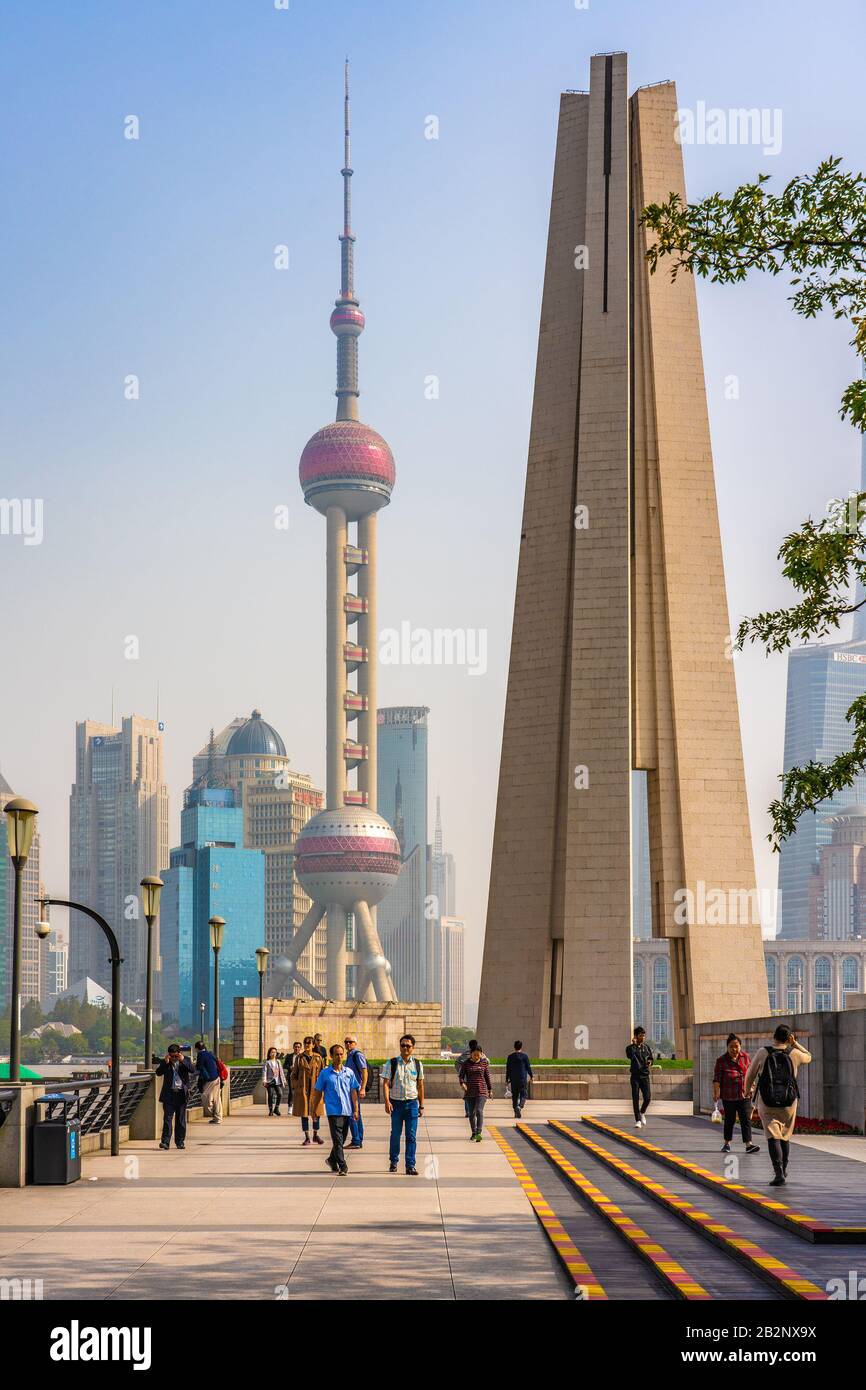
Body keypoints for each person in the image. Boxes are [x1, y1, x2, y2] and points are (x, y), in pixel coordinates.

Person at [745, 1024, 812, 1186]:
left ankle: (778, 1172)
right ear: (789, 1038)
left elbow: (750, 1073)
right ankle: (784, 1169)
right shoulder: (794, 1053)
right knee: (785, 1134)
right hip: (789, 1102)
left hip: (767, 1101)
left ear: (773, 1036)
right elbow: (809, 1056)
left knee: (772, 1134)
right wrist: (795, 1044)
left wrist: (748, 1090)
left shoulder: (763, 1052)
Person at [315, 1043, 361, 1176]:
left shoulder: (349, 1072)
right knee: (337, 1139)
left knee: (343, 1138)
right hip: (333, 1111)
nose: (339, 1057)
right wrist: (314, 1110)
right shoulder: (325, 1073)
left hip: (347, 1110)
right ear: (331, 1056)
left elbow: (353, 1092)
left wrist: (356, 1109)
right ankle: (343, 1165)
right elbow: (318, 1092)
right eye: (337, 1054)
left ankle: (331, 1160)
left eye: (341, 1054)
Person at [382, 1034, 425, 1175]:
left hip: (412, 1104)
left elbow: (420, 1086)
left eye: (408, 1045)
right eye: (403, 1045)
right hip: (396, 1104)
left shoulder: (417, 1064)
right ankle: (393, 1161)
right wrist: (387, 1101)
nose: (405, 1048)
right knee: (395, 1134)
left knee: (411, 1136)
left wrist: (421, 1105)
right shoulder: (392, 1063)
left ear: (413, 1048)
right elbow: (386, 1084)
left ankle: (410, 1165)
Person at [713, 1033, 760, 1155]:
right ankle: (727, 1143)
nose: (734, 1049)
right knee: (730, 1120)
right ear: (727, 1047)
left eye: (736, 1046)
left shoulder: (746, 1057)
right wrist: (716, 1092)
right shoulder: (721, 1061)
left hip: (744, 1095)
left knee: (745, 1120)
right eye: (731, 1047)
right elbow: (717, 1079)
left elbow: (751, 1073)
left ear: (740, 1046)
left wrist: (752, 1087)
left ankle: (748, 1144)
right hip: (729, 1096)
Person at [156, 1044, 195, 1150]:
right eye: (171, 1056)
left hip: (181, 1094)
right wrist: (165, 1063)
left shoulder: (185, 1060)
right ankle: (165, 1142)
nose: (173, 1058)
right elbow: (158, 1073)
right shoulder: (166, 1062)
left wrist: (183, 1061)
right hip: (169, 1094)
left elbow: (192, 1070)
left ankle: (180, 1141)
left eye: (175, 1056)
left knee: (180, 1120)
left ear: (179, 1054)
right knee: (167, 1119)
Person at [291, 1036, 324, 1145]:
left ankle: (315, 1134)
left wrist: (323, 1087)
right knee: (304, 1113)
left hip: (315, 1090)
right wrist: (297, 1086)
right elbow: (293, 1074)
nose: (307, 1045)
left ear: (313, 1045)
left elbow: (323, 1074)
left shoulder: (318, 1058)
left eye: (309, 1043)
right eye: (305, 1043)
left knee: (316, 1113)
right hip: (303, 1089)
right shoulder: (299, 1058)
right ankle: (307, 1137)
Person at [460, 1046, 493, 1141]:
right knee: (471, 1114)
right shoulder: (466, 1064)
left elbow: (487, 1076)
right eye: (474, 1055)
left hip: (482, 1091)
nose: (476, 1056)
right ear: (471, 1054)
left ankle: (478, 1132)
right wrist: (462, 1084)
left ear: (481, 1054)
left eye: (478, 1055)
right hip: (470, 1092)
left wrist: (490, 1090)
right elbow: (461, 1076)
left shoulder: (484, 1063)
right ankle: (473, 1132)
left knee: (479, 1110)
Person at [626, 1026, 654, 1128]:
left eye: (644, 1035)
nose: (643, 1037)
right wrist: (634, 1045)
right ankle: (637, 1120)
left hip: (645, 1076)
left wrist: (650, 1062)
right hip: (635, 1077)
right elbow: (630, 1056)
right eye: (640, 1035)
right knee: (635, 1098)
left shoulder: (646, 1047)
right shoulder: (630, 1048)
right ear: (636, 1036)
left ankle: (642, 1112)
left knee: (647, 1098)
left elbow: (651, 1058)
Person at [454, 1038, 488, 1119]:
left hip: (466, 1079)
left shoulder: (464, 1054)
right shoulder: (481, 1055)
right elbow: (487, 1062)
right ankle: (474, 1110)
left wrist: (461, 1071)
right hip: (477, 1079)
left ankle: (468, 1111)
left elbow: (456, 1063)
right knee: (477, 1095)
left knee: (467, 1094)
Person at [344, 1034, 368, 1149]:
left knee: (352, 1114)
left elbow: (364, 1071)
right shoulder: (349, 1055)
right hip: (349, 1089)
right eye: (346, 1042)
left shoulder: (357, 1055)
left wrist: (363, 1088)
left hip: (355, 1089)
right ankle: (358, 1139)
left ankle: (356, 1140)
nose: (348, 1044)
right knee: (356, 1114)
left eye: (350, 1042)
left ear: (355, 1044)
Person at [194, 1039, 222, 1125]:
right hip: (217, 1077)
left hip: (209, 1079)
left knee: (205, 1096)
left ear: (197, 1048)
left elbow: (198, 1067)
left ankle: (213, 1113)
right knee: (217, 1099)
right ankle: (218, 1118)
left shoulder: (200, 1055)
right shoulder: (210, 1053)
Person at [505, 1041, 533, 1119]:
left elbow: (508, 1069)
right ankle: (520, 1107)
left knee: (515, 1096)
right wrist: (531, 1076)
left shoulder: (510, 1057)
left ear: (514, 1047)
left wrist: (507, 1079)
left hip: (513, 1079)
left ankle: (516, 1112)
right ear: (521, 1047)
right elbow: (528, 1067)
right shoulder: (525, 1056)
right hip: (522, 1079)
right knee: (524, 1094)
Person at [263, 1046, 287, 1116]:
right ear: (269, 1053)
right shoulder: (267, 1062)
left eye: (275, 1052)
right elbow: (264, 1072)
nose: (273, 1053)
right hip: (269, 1081)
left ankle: (276, 1108)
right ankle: (270, 1110)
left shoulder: (278, 1061)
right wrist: (264, 1081)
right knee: (270, 1095)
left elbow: (281, 1072)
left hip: (277, 1081)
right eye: (272, 1052)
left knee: (280, 1093)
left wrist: (284, 1081)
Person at [285, 1040, 302, 1114]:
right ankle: (290, 1107)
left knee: (300, 1092)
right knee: (291, 1092)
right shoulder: (289, 1056)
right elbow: (284, 1065)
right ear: (293, 1047)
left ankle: (299, 1107)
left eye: (298, 1047)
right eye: (295, 1047)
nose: (297, 1048)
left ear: (300, 1048)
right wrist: (290, 1067)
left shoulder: (303, 1056)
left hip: (300, 1077)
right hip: (291, 1076)